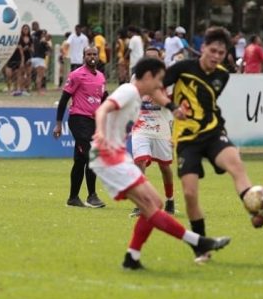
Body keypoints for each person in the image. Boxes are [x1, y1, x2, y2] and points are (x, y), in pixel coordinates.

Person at [90, 56, 231, 270]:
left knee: (155, 204)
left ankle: (132, 257)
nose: (160, 84)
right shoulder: (128, 91)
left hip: (116, 155)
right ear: (147, 76)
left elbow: (157, 94)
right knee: (150, 206)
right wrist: (101, 133)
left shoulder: (138, 94)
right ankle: (199, 242)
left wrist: (173, 108)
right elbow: (102, 110)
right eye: (159, 79)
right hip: (107, 155)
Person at [164, 27, 263, 263]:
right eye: (213, 50)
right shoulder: (182, 68)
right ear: (203, 48)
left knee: (236, 165)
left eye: (221, 52)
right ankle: (201, 247)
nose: (216, 56)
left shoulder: (222, 75)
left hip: (214, 132)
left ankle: (257, 210)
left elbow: (208, 104)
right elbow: (156, 87)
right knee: (189, 193)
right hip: (186, 138)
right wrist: (172, 107)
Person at [53, 46, 107, 209]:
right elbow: (64, 100)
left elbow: (103, 98)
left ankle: (73, 198)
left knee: (80, 160)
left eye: (94, 54)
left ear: (98, 57)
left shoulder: (101, 77)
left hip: (93, 122)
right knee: (92, 155)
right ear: (83, 57)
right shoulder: (76, 75)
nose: (92, 57)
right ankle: (92, 196)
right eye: (88, 54)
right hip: (78, 120)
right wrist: (58, 124)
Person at [128, 47, 176, 218]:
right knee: (139, 163)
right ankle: (141, 204)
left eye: (154, 58)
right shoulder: (136, 77)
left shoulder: (168, 79)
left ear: (160, 59)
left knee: (165, 166)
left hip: (162, 126)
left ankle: (170, 200)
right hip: (141, 125)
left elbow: (172, 101)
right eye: (148, 58)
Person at [31, 27, 51, 94]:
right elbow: (49, 50)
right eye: (43, 34)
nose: (44, 35)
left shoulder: (34, 40)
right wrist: (47, 43)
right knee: (39, 76)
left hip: (33, 58)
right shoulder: (42, 41)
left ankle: (26, 89)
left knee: (30, 75)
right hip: (40, 59)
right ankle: (39, 91)